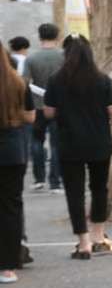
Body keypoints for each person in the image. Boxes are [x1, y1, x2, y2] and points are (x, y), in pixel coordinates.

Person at [41, 37, 112, 259]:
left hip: (69, 143)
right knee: (99, 188)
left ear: (65, 54)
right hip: (99, 143)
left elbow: (49, 112)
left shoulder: (55, 80)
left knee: (75, 192)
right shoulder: (102, 80)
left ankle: (83, 243)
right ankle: (98, 236)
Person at [0, 50, 32, 285]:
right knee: (11, 208)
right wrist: (13, 114)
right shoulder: (19, 82)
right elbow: (30, 117)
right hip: (12, 151)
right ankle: (8, 266)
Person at [23, 23, 63, 193]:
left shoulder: (31, 58)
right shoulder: (64, 56)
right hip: (59, 106)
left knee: (36, 141)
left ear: (40, 37)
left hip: (38, 105)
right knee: (56, 144)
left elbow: (25, 83)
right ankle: (55, 182)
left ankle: (39, 179)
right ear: (57, 36)